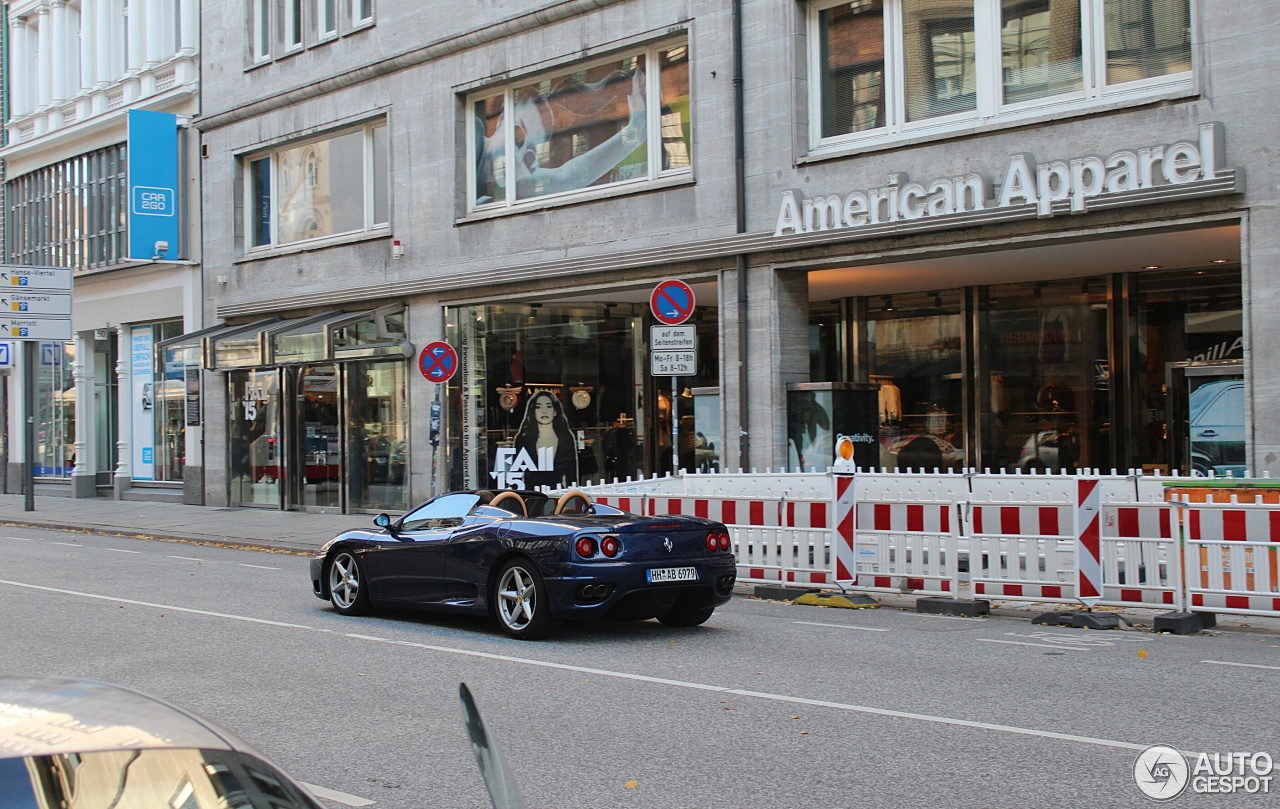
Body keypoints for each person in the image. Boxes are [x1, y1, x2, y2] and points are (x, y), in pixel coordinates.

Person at [475, 69, 647, 204]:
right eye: (518, 138)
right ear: (502, 121)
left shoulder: (513, 183)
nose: (518, 159)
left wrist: (635, 132)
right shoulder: (472, 135)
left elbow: (568, 177)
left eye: (530, 157)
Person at [512, 391, 579, 489]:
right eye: (538, 407)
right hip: (531, 496)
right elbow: (516, 474)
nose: (544, 411)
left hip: (558, 495)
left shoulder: (566, 439)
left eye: (548, 406)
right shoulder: (523, 438)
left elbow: (571, 477)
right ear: (533, 412)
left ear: (555, 411)